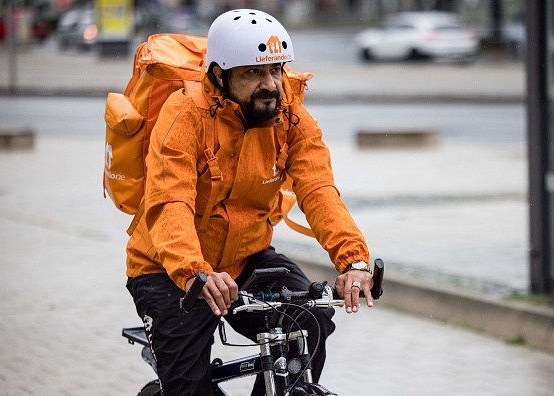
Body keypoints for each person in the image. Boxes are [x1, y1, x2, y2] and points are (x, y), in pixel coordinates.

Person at [125, 8, 373, 396]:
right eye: (253, 73)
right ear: (220, 75)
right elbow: (169, 201)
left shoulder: (290, 116)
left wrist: (353, 261)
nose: (271, 84)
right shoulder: (185, 114)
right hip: (168, 267)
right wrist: (194, 270)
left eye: (275, 70)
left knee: (308, 321)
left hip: (246, 258)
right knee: (188, 389)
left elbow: (318, 188)